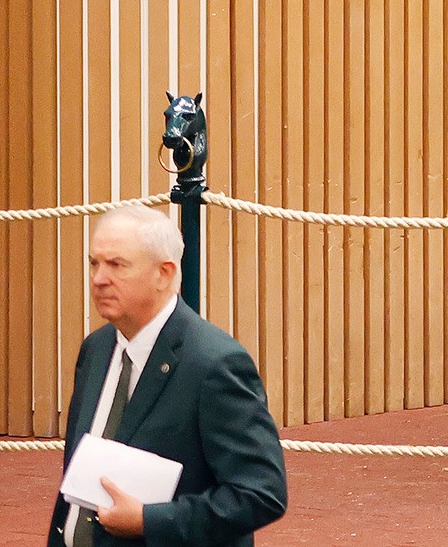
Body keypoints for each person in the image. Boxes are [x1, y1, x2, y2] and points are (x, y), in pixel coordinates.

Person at [48, 203, 286, 547]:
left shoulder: (214, 364)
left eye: (117, 265)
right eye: (94, 263)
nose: (99, 279)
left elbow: (260, 494)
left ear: (164, 273)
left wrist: (150, 520)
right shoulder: (96, 350)